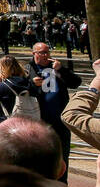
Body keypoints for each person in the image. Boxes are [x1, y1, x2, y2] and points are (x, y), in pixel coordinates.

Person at [25, 42, 81, 180]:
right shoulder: (28, 69)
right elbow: (20, 88)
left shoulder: (56, 67)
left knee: (62, 154)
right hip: (39, 120)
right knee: (41, 155)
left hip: (60, 120)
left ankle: (62, 186)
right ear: (34, 54)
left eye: (47, 52)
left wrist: (61, 70)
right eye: (41, 53)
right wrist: (31, 84)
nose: (45, 55)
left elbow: (76, 82)